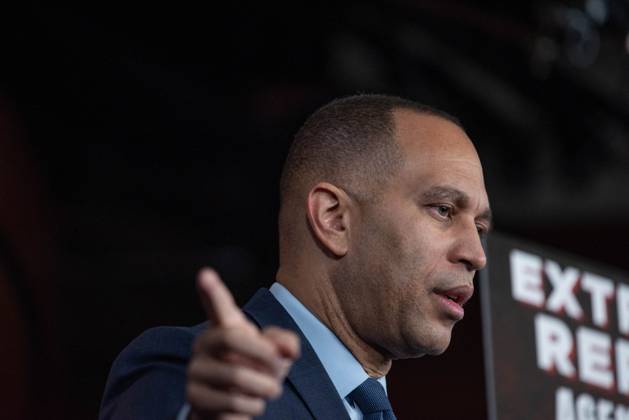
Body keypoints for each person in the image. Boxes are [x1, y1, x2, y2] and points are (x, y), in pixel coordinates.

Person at [99, 94, 492, 420]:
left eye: (479, 228)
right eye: (443, 209)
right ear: (334, 219)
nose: (476, 255)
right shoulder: (198, 374)